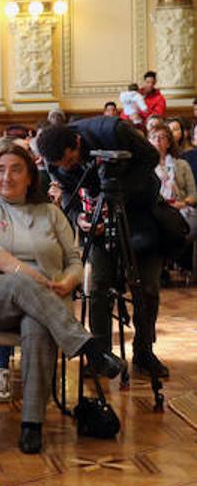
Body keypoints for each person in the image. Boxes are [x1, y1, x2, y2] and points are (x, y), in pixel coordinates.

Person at [0, 143, 125, 454]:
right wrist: (36, 278)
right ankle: (90, 347)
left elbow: (75, 260)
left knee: (37, 326)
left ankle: (31, 425)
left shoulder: (51, 213)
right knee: (20, 284)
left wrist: (68, 281)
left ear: (30, 178)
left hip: (47, 303)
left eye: (15, 169)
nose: (6, 176)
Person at [38, 117, 169, 380]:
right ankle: (100, 356)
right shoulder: (55, 160)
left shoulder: (112, 131)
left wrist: (119, 193)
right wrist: (79, 218)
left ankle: (144, 352)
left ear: (75, 142)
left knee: (147, 287)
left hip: (141, 213)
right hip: (97, 220)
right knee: (98, 286)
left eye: (70, 161)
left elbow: (151, 157)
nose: (67, 167)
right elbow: (67, 193)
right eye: (60, 166)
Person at [149, 123, 197, 237]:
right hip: (157, 211)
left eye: (162, 137)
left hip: (180, 207)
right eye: (153, 137)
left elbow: (193, 194)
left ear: (169, 143)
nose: (157, 140)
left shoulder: (182, 164)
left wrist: (183, 203)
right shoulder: (146, 167)